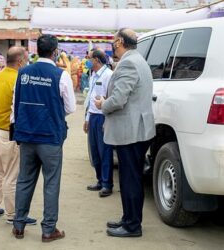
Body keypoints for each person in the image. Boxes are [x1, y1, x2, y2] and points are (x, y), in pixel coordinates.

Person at [11, 34, 76, 242]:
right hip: (50, 137)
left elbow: (16, 104)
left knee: (24, 180)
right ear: (55, 51)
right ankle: (48, 230)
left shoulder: (22, 73)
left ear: (36, 50)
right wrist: (52, 113)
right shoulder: (61, 75)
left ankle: (18, 226)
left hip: (27, 136)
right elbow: (70, 107)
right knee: (51, 182)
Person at [95, 28, 156, 237]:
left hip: (130, 132)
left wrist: (103, 104)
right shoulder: (139, 60)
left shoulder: (129, 63)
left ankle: (132, 226)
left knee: (130, 179)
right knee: (132, 177)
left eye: (114, 41)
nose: (112, 45)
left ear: (120, 41)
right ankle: (128, 218)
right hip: (136, 130)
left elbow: (118, 100)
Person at [0, 47, 36, 226]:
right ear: (21, 61)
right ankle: (13, 214)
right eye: (27, 59)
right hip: (8, 133)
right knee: (11, 175)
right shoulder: (19, 80)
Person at [84, 49, 114, 198]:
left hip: (104, 117)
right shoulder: (93, 75)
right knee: (95, 152)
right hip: (93, 116)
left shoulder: (109, 75)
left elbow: (111, 97)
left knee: (105, 152)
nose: (87, 61)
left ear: (96, 60)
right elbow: (90, 98)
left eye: (89, 58)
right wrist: (87, 119)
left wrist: (107, 120)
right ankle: (100, 180)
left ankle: (107, 184)